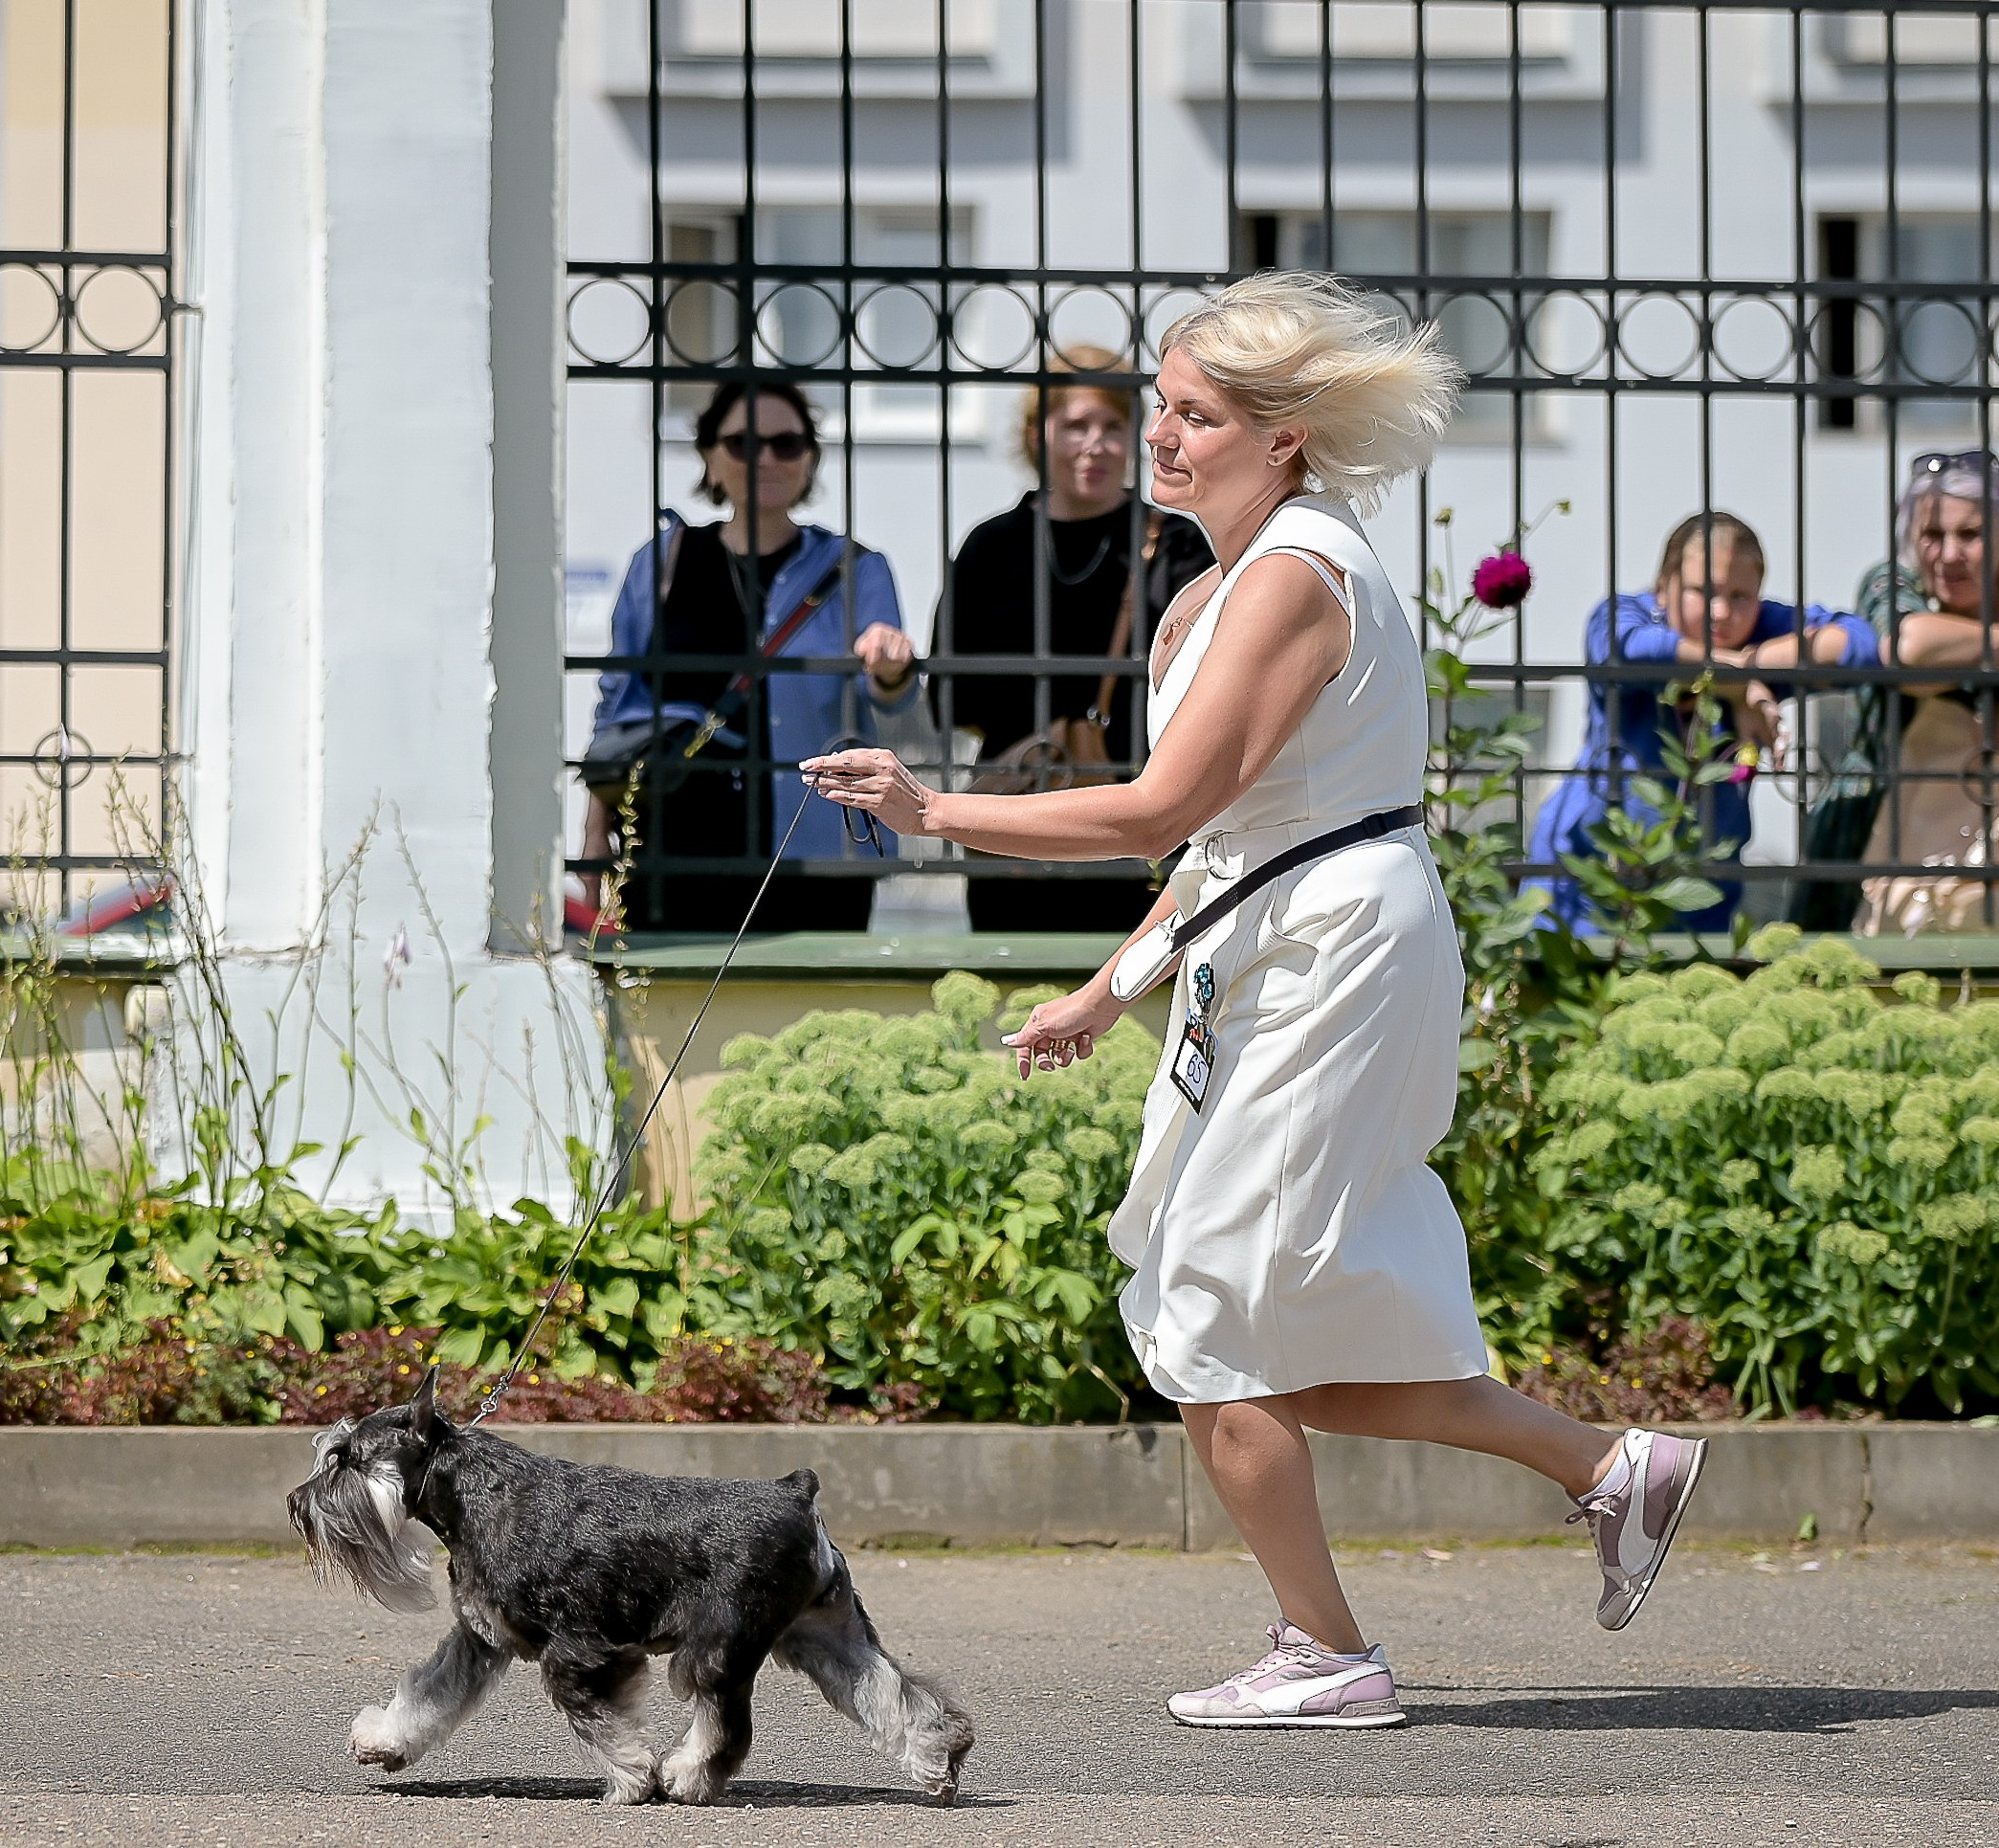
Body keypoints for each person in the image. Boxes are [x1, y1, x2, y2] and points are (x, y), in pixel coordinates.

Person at [805, 271, 1708, 1728]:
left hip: (1334, 952)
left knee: (1214, 1307)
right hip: (1282, 940)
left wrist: (933, 811)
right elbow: (1228, 846)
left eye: (1196, 415)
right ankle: (1606, 1468)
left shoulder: (1295, 571)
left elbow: (1162, 808)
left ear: (1284, 436)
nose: (1161, 436)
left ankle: (1329, 1650)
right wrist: (1107, 988)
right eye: (1161, 406)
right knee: (1267, 1328)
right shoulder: (1220, 585)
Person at [581, 381, 920, 934]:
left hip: (813, 847)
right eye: (743, 443)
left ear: (809, 459)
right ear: (710, 457)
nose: (765, 459)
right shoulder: (662, 562)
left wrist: (891, 667)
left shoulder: (856, 568)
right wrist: (595, 831)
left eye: (786, 443)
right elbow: (618, 703)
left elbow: (893, 698)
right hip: (673, 844)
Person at [936, 346, 1215, 932]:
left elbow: (1209, 684)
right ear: (1036, 435)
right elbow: (947, 696)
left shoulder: (1176, 544)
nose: (1096, 445)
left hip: (1137, 823)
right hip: (1017, 821)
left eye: (1113, 426)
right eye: (1076, 426)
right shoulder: (993, 547)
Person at [1525, 512, 1878, 934]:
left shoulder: (1761, 631)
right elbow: (1625, 650)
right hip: (1584, 893)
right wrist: (1738, 685)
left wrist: (1746, 668)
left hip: (1701, 904)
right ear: (1663, 587)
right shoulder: (1625, 614)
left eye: (1741, 596)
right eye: (1702, 591)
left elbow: (1860, 644)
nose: (1721, 612)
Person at [1849, 451, 1997, 935]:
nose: (1949, 555)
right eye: (1932, 535)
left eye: (1970, 535)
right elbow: (1908, 649)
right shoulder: (1891, 585)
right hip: (1904, 861)